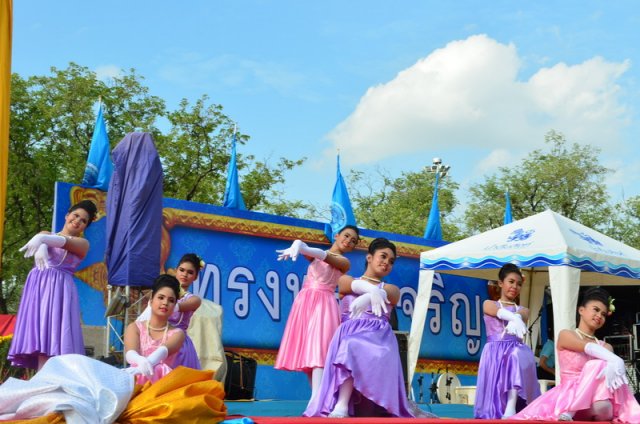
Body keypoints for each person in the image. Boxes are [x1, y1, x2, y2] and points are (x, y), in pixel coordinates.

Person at [303, 237, 414, 418]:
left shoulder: (392, 288)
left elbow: (392, 295)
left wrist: (375, 295)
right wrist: (371, 291)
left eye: (391, 261)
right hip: (349, 332)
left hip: (379, 339)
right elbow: (348, 285)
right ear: (369, 257)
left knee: (351, 345)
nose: (386, 263)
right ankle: (342, 404)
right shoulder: (346, 279)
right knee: (349, 343)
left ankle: (343, 404)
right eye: (383, 257)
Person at [514, 287, 640, 422]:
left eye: (603, 314)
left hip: (597, 402)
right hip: (567, 398)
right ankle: (571, 410)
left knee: (603, 406)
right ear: (581, 310)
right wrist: (615, 359)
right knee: (598, 363)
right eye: (596, 310)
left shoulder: (606, 347)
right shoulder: (566, 335)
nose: (599, 316)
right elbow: (587, 347)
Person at [274, 225, 359, 405]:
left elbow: (325, 256)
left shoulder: (344, 262)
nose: (348, 241)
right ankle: (317, 396)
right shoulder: (314, 253)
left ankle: (318, 398)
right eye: (346, 236)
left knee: (319, 349)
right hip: (305, 301)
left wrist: (301, 245)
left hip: (324, 303)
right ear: (336, 235)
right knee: (308, 350)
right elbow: (314, 253)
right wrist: (300, 246)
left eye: (353, 241)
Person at [9, 199, 97, 371]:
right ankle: (42, 377)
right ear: (67, 215)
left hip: (59, 290)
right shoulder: (45, 233)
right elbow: (43, 241)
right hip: (38, 288)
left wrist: (43, 241)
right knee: (39, 333)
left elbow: (62, 242)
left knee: (55, 334)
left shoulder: (83, 244)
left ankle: (51, 379)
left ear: (85, 226)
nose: (78, 220)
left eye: (84, 220)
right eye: (76, 215)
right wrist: (42, 241)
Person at [474, 263, 541, 419]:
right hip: (494, 352)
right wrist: (512, 317)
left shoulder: (523, 309)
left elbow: (522, 315)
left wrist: (516, 317)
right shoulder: (489, 304)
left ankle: (511, 407)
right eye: (511, 282)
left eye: (518, 284)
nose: (515, 286)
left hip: (514, 350)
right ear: (500, 283)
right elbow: (496, 312)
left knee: (516, 355)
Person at [137, 253, 203, 369]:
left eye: (190, 272)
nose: (185, 274)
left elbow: (180, 306)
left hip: (178, 346)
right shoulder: (160, 294)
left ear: (196, 277)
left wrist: (168, 299)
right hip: (155, 340)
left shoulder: (193, 300)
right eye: (182, 270)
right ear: (176, 270)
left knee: (174, 383)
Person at [124, 274, 186, 384]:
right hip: (136, 382)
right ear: (151, 300)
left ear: (175, 305)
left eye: (171, 300)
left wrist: (141, 367)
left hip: (163, 387)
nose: (165, 303)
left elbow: (162, 352)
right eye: (161, 297)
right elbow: (130, 353)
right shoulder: (135, 327)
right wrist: (139, 360)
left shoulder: (177, 334)